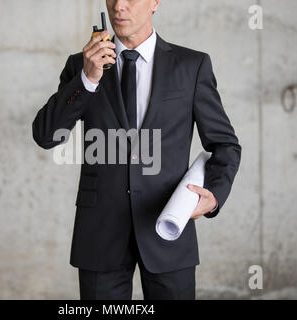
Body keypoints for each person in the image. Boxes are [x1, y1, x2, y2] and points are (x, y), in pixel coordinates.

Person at [32, 0, 241, 300]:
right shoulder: (80, 66)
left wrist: (215, 196)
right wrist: (87, 80)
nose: (119, 6)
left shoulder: (192, 66)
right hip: (100, 233)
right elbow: (45, 135)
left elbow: (225, 145)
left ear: (155, 2)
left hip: (168, 227)